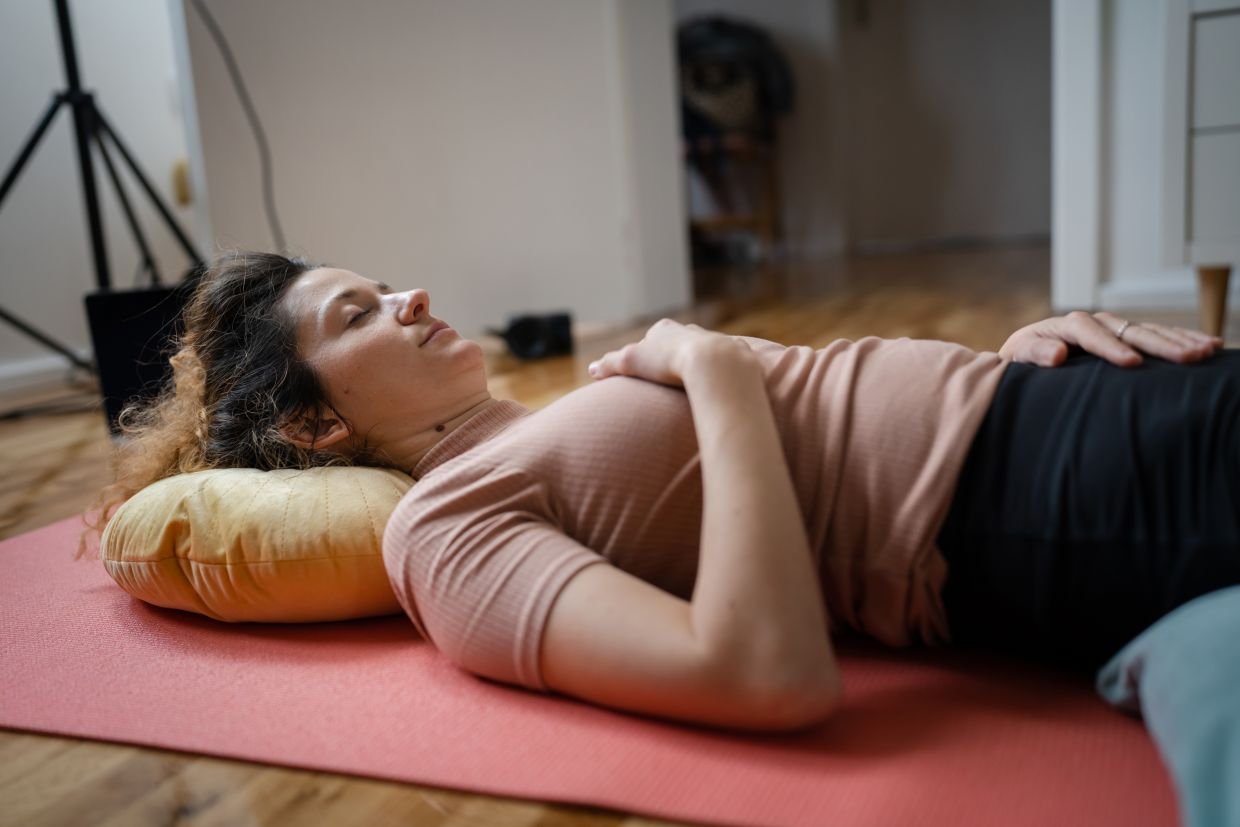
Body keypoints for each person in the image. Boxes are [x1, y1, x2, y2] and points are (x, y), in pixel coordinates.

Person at [95, 251, 1234, 734]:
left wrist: (1013, 358)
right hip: (1039, 502)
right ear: (316, 423)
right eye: (361, 314)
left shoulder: (533, 425)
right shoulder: (441, 533)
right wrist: (718, 374)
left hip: (1053, 407)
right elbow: (763, 675)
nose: (411, 297)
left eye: (385, 284)